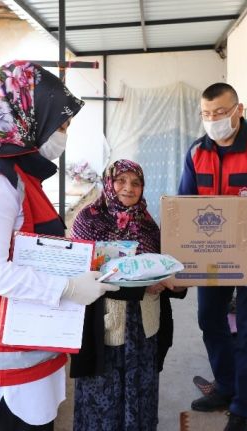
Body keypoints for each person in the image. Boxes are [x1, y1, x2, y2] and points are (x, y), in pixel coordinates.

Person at [0, 60, 119, 431]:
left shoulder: (17, 172)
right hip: (2, 376)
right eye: (62, 124)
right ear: (28, 113)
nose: (63, 135)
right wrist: (68, 287)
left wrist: (89, 263)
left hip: (20, 354)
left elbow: (32, 245)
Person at [178, 83, 247, 431]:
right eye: (207, 114)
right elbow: (185, 204)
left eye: (221, 113)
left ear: (238, 110)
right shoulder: (196, 152)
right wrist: (183, 253)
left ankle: (243, 405)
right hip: (211, 255)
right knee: (210, 319)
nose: (213, 120)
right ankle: (226, 386)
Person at [69, 159, 187, 431]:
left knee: (140, 389)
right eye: (121, 180)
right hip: (106, 326)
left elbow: (163, 270)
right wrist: (142, 286)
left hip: (144, 327)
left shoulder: (148, 224)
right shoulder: (88, 220)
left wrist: (174, 283)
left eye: (136, 183)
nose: (128, 188)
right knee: (103, 393)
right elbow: (82, 277)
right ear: (109, 183)